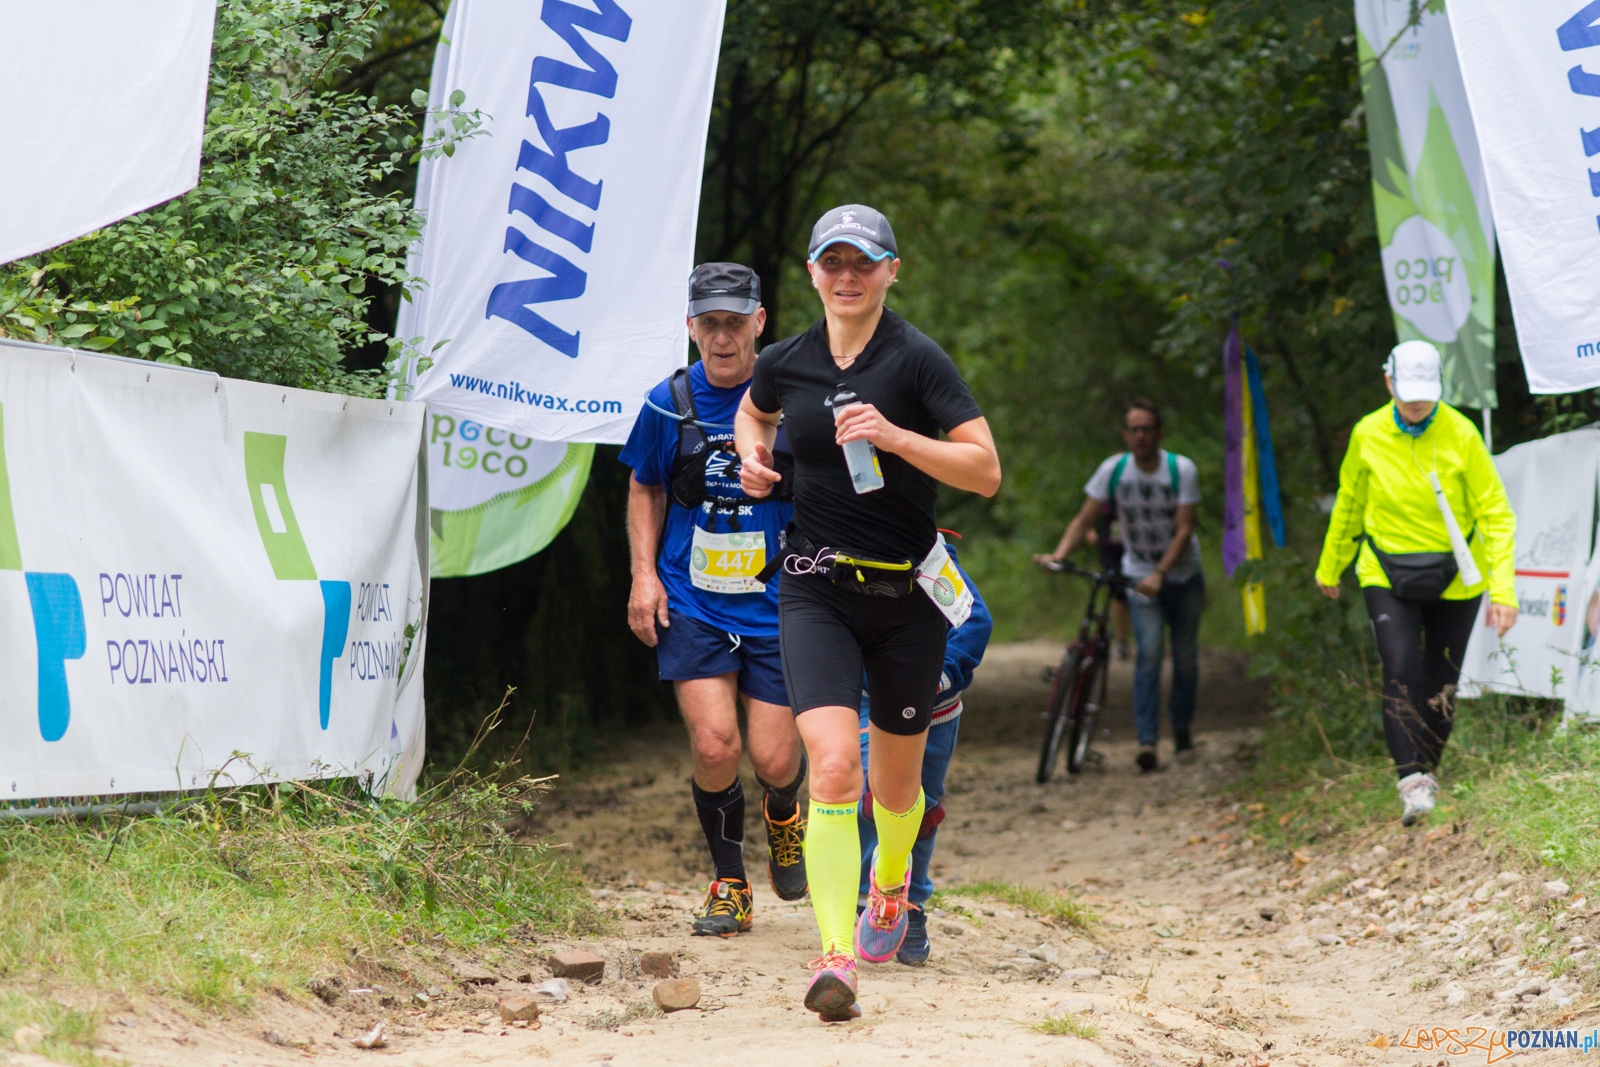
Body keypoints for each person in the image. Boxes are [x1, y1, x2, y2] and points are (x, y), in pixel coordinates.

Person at [735, 204, 1001, 1021]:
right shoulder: (786, 360)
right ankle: (834, 953)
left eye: (864, 262)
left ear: (892, 269)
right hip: (814, 587)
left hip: (907, 598)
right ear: (812, 272)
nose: (847, 277)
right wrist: (752, 452)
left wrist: (895, 436)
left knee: (897, 788)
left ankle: (890, 885)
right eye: (833, 263)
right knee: (834, 767)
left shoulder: (917, 361)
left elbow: (985, 469)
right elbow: (756, 408)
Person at [619, 262, 807, 938]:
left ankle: (785, 813)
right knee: (715, 742)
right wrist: (644, 575)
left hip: (779, 598)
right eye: (710, 323)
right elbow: (645, 485)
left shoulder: (793, 399)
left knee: (776, 758)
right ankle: (730, 882)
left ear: (759, 321)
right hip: (693, 598)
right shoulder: (666, 402)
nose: (722, 337)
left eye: (735, 321)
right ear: (691, 327)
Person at [1315, 340, 1517, 826]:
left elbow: (1496, 513)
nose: (1416, 404)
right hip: (1385, 568)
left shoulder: (1461, 433)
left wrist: (1504, 591)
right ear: (1389, 383)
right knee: (1401, 666)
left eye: (1425, 394)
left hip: (1456, 574)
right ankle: (1411, 781)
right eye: (1407, 394)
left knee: (1441, 681)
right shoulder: (1368, 433)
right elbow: (1348, 503)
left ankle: (1427, 772)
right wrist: (1330, 564)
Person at [1036, 398, 1203, 770]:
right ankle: (1147, 741)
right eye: (1134, 429)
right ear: (1125, 435)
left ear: (1159, 434)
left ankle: (1181, 731)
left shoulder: (1181, 470)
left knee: (1187, 658)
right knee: (1148, 655)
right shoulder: (1113, 471)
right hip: (1137, 573)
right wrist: (1059, 555)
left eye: (1147, 429)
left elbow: (1185, 528)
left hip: (1182, 575)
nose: (1140, 436)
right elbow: (1083, 520)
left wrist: (1160, 572)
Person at [857, 539, 992, 965]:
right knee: (869, 795)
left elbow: (974, 619)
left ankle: (911, 904)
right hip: (868, 699)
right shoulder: (835, 550)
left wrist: (941, 675)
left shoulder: (929, 555)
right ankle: (867, 898)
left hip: (936, 710)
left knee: (923, 809)